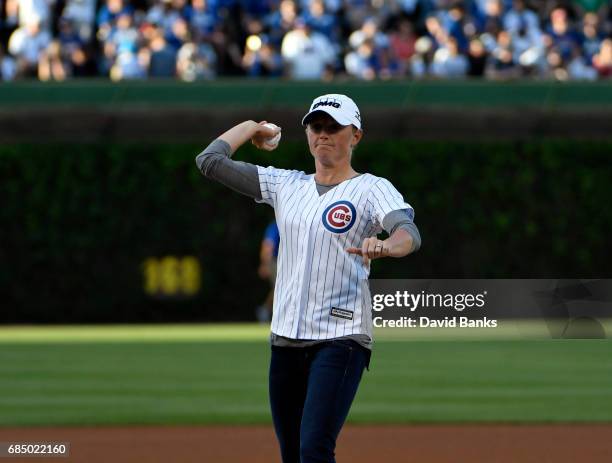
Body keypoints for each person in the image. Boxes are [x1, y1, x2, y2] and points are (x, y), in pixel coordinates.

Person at [195, 93, 421, 463]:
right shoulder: (285, 185)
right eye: (317, 126)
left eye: (334, 127)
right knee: (292, 455)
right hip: (285, 338)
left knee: (314, 449)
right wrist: (253, 126)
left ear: (356, 135)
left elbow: (407, 231)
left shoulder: (371, 188)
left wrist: (389, 246)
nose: (324, 134)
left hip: (341, 338)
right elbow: (209, 161)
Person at [256, 220, 280, 323]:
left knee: (278, 289)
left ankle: (265, 309)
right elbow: (268, 246)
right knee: (279, 289)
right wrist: (265, 264)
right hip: (274, 261)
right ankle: (265, 310)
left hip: (280, 261)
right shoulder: (275, 226)